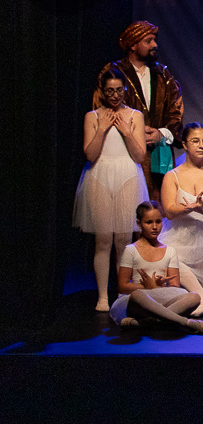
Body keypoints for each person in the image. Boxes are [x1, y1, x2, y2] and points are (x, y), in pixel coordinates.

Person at [75, 63, 149, 312]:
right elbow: (90, 154)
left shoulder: (135, 116)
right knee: (104, 239)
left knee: (124, 240)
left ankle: (121, 293)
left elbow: (139, 156)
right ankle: (102, 297)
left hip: (128, 174)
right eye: (110, 91)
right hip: (100, 175)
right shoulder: (92, 116)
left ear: (125, 89)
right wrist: (103, 129)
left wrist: (127, 132)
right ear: (102, 91)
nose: (115, 95)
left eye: (119, 90)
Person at [110, 21, 184, 199]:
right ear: (133, 45)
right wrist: (132, 131)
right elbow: (105, 109)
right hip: (126, 153)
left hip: (158, 154)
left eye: (154, 40)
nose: (154, 45)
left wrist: (161, 133)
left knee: (160, 204)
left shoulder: (163, 74)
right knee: (130, 204)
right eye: (148, 41)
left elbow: (176, 110)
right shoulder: (114, 72)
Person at [111, 201, 203, 332]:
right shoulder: (131, 250)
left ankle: (147, 323)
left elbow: (174, 286)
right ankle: (185, 322)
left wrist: (158, 286)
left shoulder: (170, 251)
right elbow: (122, 286)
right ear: (139, 223)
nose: (154, 227)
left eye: (158, 222)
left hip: (163, 297)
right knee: (137, 295)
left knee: (194, 297)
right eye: (149, 222)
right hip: (142, 301)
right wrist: (147, 286)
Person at [159, 122, 203, 310]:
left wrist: (200, 209)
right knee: (168, 256)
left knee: (198, 301)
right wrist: (190, 208)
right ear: (185, 144)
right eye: (195, 141)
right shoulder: (172, 175)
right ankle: (202, 299)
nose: (201, 146)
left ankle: (201, 300)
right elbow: (169, 212)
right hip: (180, 236)